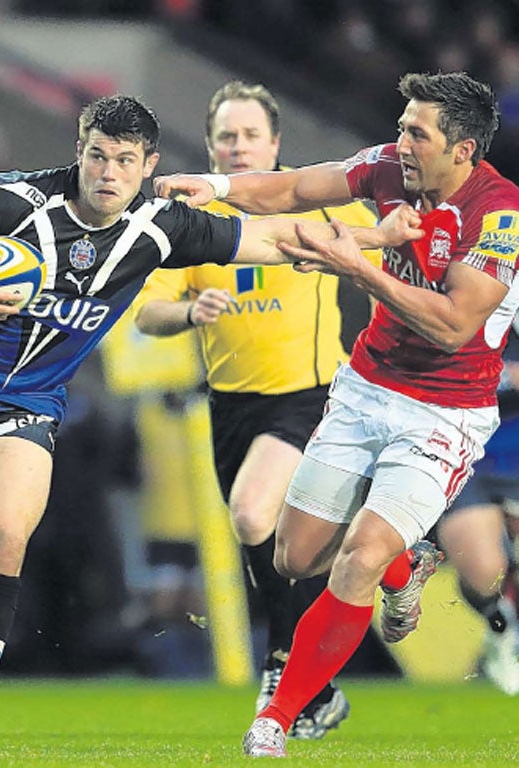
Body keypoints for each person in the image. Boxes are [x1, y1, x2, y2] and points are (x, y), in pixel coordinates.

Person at [0, 93, 417, 759]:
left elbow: (274, 238)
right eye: (97, 155)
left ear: (148, 165)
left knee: (7, 538)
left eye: (125, 160)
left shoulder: (163, 226)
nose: (108, 172)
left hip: (26, 403)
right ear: (79, 149)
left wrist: (377, 238)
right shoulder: (13, 200)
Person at [155, 71, 519, 758]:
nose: (402, 141)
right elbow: (295, 187)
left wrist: (358, 265)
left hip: (443, 414)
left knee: (353, 558)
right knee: (293, 557)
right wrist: (220, 188)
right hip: (364, 389)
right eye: (404, 125)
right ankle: (401, 566)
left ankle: (278, 716)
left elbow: (452, 325)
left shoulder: (500, 214)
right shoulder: (387, 169)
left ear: (463, 150)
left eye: (419, 132)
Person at [132, 80, 381, 738]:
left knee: (250, 512)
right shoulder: (190, 218)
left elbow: (387, 237)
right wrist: (189, 311)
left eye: (250, 135)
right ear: (211, 145)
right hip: (231, 406)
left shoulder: (314, 199)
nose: (238, 146)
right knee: (275, 546)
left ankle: (278, 665)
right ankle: (319, 687)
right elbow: (148, 314)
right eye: (226, 136)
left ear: (276, 143)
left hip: (310, 395)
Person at [436, 332, 519, 696]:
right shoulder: (461, 299)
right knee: (484, 570)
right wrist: (502, 378)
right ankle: (500, 631)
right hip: (469, 460)